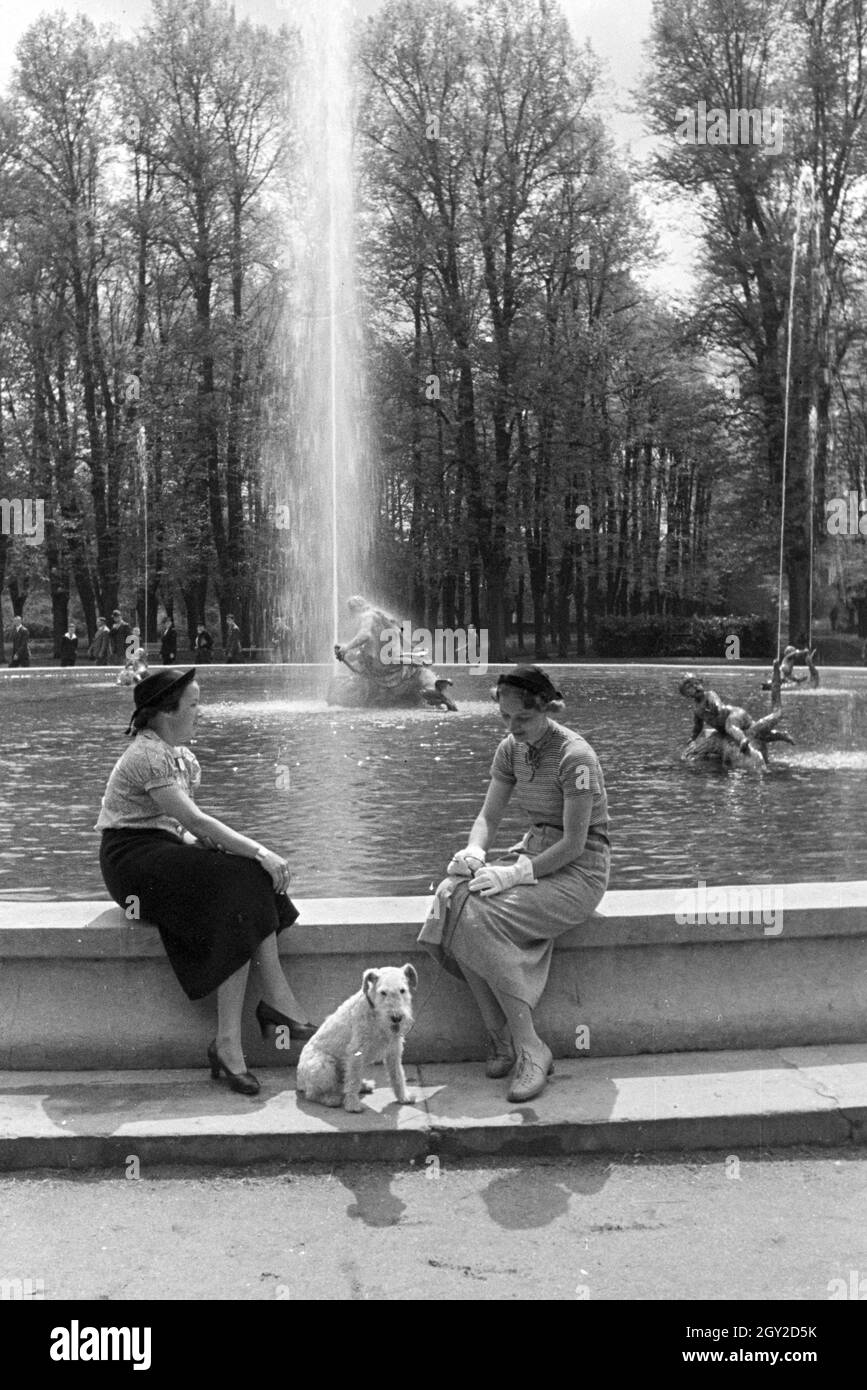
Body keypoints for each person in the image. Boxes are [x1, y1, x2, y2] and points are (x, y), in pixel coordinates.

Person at [95, 668, 317, 1096]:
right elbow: (193, 819)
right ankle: (277, 1007)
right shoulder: (148, 754)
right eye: (193, 705)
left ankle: (231, 1042)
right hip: (131, 863)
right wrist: (258, 849)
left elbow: (185, 830)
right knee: (249, 868)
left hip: (163, 852)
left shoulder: (180, 756)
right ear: (164, 713)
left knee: (241, 887)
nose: (201, 713)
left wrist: (227, 851)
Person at [418, 666, 610, 1103]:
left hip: (580, 869)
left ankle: (530, 1048)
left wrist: (514, 874)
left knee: (476, 913)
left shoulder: (575, 757)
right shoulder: (511, 749)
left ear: (545, 709)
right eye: (505, 718)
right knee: (452, 896)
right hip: (534, 851)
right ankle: (499, 1036)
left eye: (521, 719)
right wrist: (473, 853)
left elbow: (575, 844)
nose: (511, 728)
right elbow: (489, 816)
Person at [334, 594, 457, 710]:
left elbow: (364, 635)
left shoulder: (367, 616)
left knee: (416, 669)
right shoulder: (380, 615)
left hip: (383, 664)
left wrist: (346, 647)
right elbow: (395, 635)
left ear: (354, 609)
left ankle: (436, 693)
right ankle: (436, 690)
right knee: (419, 672)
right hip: (388, 660)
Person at [679, 670, 793, 766]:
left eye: (696, 683)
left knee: (731, 726)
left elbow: (718, 704)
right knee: (756, 731)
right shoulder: (696, 709)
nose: (695, 687)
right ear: (686, 694)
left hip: (735, 714)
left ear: (701, 682)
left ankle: (742, 740)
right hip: (729, 726)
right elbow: (698, 726)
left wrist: (718, 708)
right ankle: (781, 734)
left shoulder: (709, 695)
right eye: (689, 686)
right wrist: (693, 737)